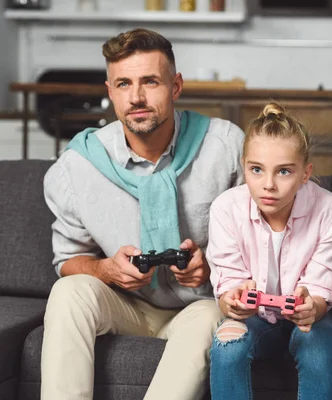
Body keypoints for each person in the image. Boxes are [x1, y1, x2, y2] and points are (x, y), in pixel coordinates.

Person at [41, 28, 245, 400]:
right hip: (124, 305)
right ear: (110, 91)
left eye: (150, 81)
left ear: (176, 86)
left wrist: (211, 267)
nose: (136, 97)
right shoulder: (78, 165)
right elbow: (68, 261)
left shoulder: (226, 147)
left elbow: (268, 242)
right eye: (123, 84)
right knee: (69, 291)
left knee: (207, 320)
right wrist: (105, 270)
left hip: (199, 305)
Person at [206, 102, 332, 400]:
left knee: (315, 348)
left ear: (305, 173)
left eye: (284, 171)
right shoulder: (225, 208)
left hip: (316, 319)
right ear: (244, 165)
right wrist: (231, 302)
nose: (268, 185)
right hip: (257, 318)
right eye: (256, 170)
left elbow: (321, 288)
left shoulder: (331, 210)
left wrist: (314, 307)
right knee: (227, 343)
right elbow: (228, 285)